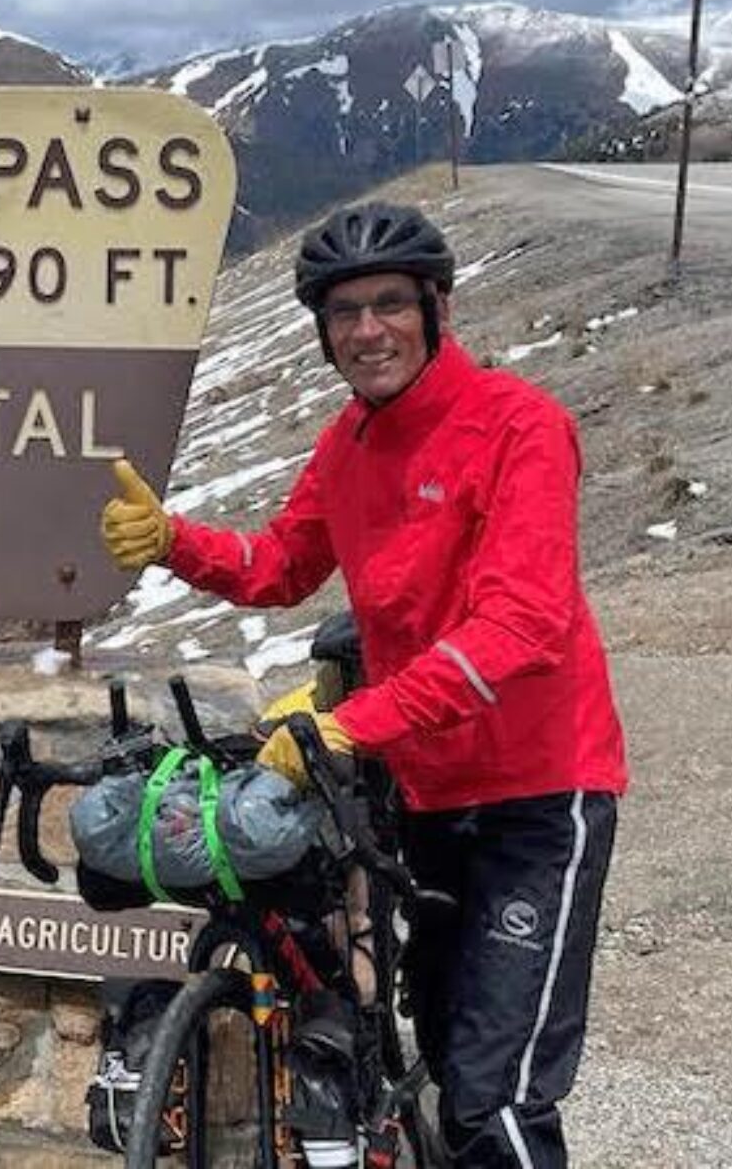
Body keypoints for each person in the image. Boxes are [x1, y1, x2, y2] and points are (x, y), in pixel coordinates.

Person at [100, 201, 626, 1167]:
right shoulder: (348, 444)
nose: (367, 330)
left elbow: (522, 623)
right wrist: (174, 543)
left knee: (492, 1096)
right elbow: (281, 566)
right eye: (344, 312)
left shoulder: (520, 427)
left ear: (436, 308)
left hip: (539, 797)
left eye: (390, 304)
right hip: (421, 798)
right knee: (431, 1041)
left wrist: (356, 723)